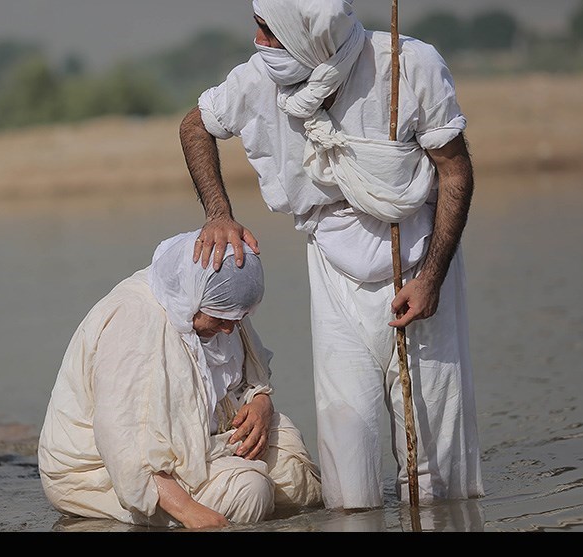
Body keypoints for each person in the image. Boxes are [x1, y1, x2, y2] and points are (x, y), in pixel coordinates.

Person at [179, 0, 484, 510]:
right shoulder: (257, 80)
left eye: (267, 31)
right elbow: (195, 126)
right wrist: (218, 213)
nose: (257, 42)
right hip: (331, 263)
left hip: (418, 261)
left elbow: (454, 172)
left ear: (308, 38)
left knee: (436, 456)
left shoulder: (407, 64)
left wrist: (431, 277)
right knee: (348, 443)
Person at [38, 230, 322, 529]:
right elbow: (123, 444)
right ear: (193, 297)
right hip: (98, 471)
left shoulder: (210, 301)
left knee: (292, 466)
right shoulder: (134, 323)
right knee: (248, 490)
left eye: (237, 318)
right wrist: (188, 510)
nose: (229, 329)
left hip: (203, 442)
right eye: (220, 319)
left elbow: (251, 377)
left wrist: (261, 403)